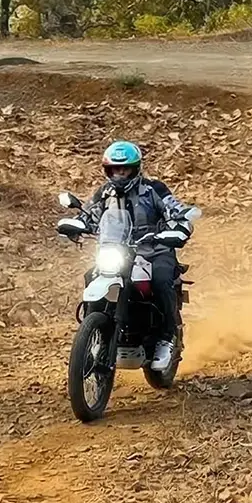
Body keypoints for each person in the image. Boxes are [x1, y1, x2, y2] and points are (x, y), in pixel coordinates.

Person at [83, 141, 195, 372]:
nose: (120, 174)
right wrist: (76, 224)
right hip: (118, 252)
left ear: (136, 168)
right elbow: (89, 214)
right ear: (108, 170)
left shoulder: (154, 189)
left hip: (154, 250)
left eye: (124, 169)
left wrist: (181, 225)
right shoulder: (105, 193)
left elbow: (175, 209)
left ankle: (166, 338)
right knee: (90, 276)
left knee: (162, 280)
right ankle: (93, 334)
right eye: (115, 169)